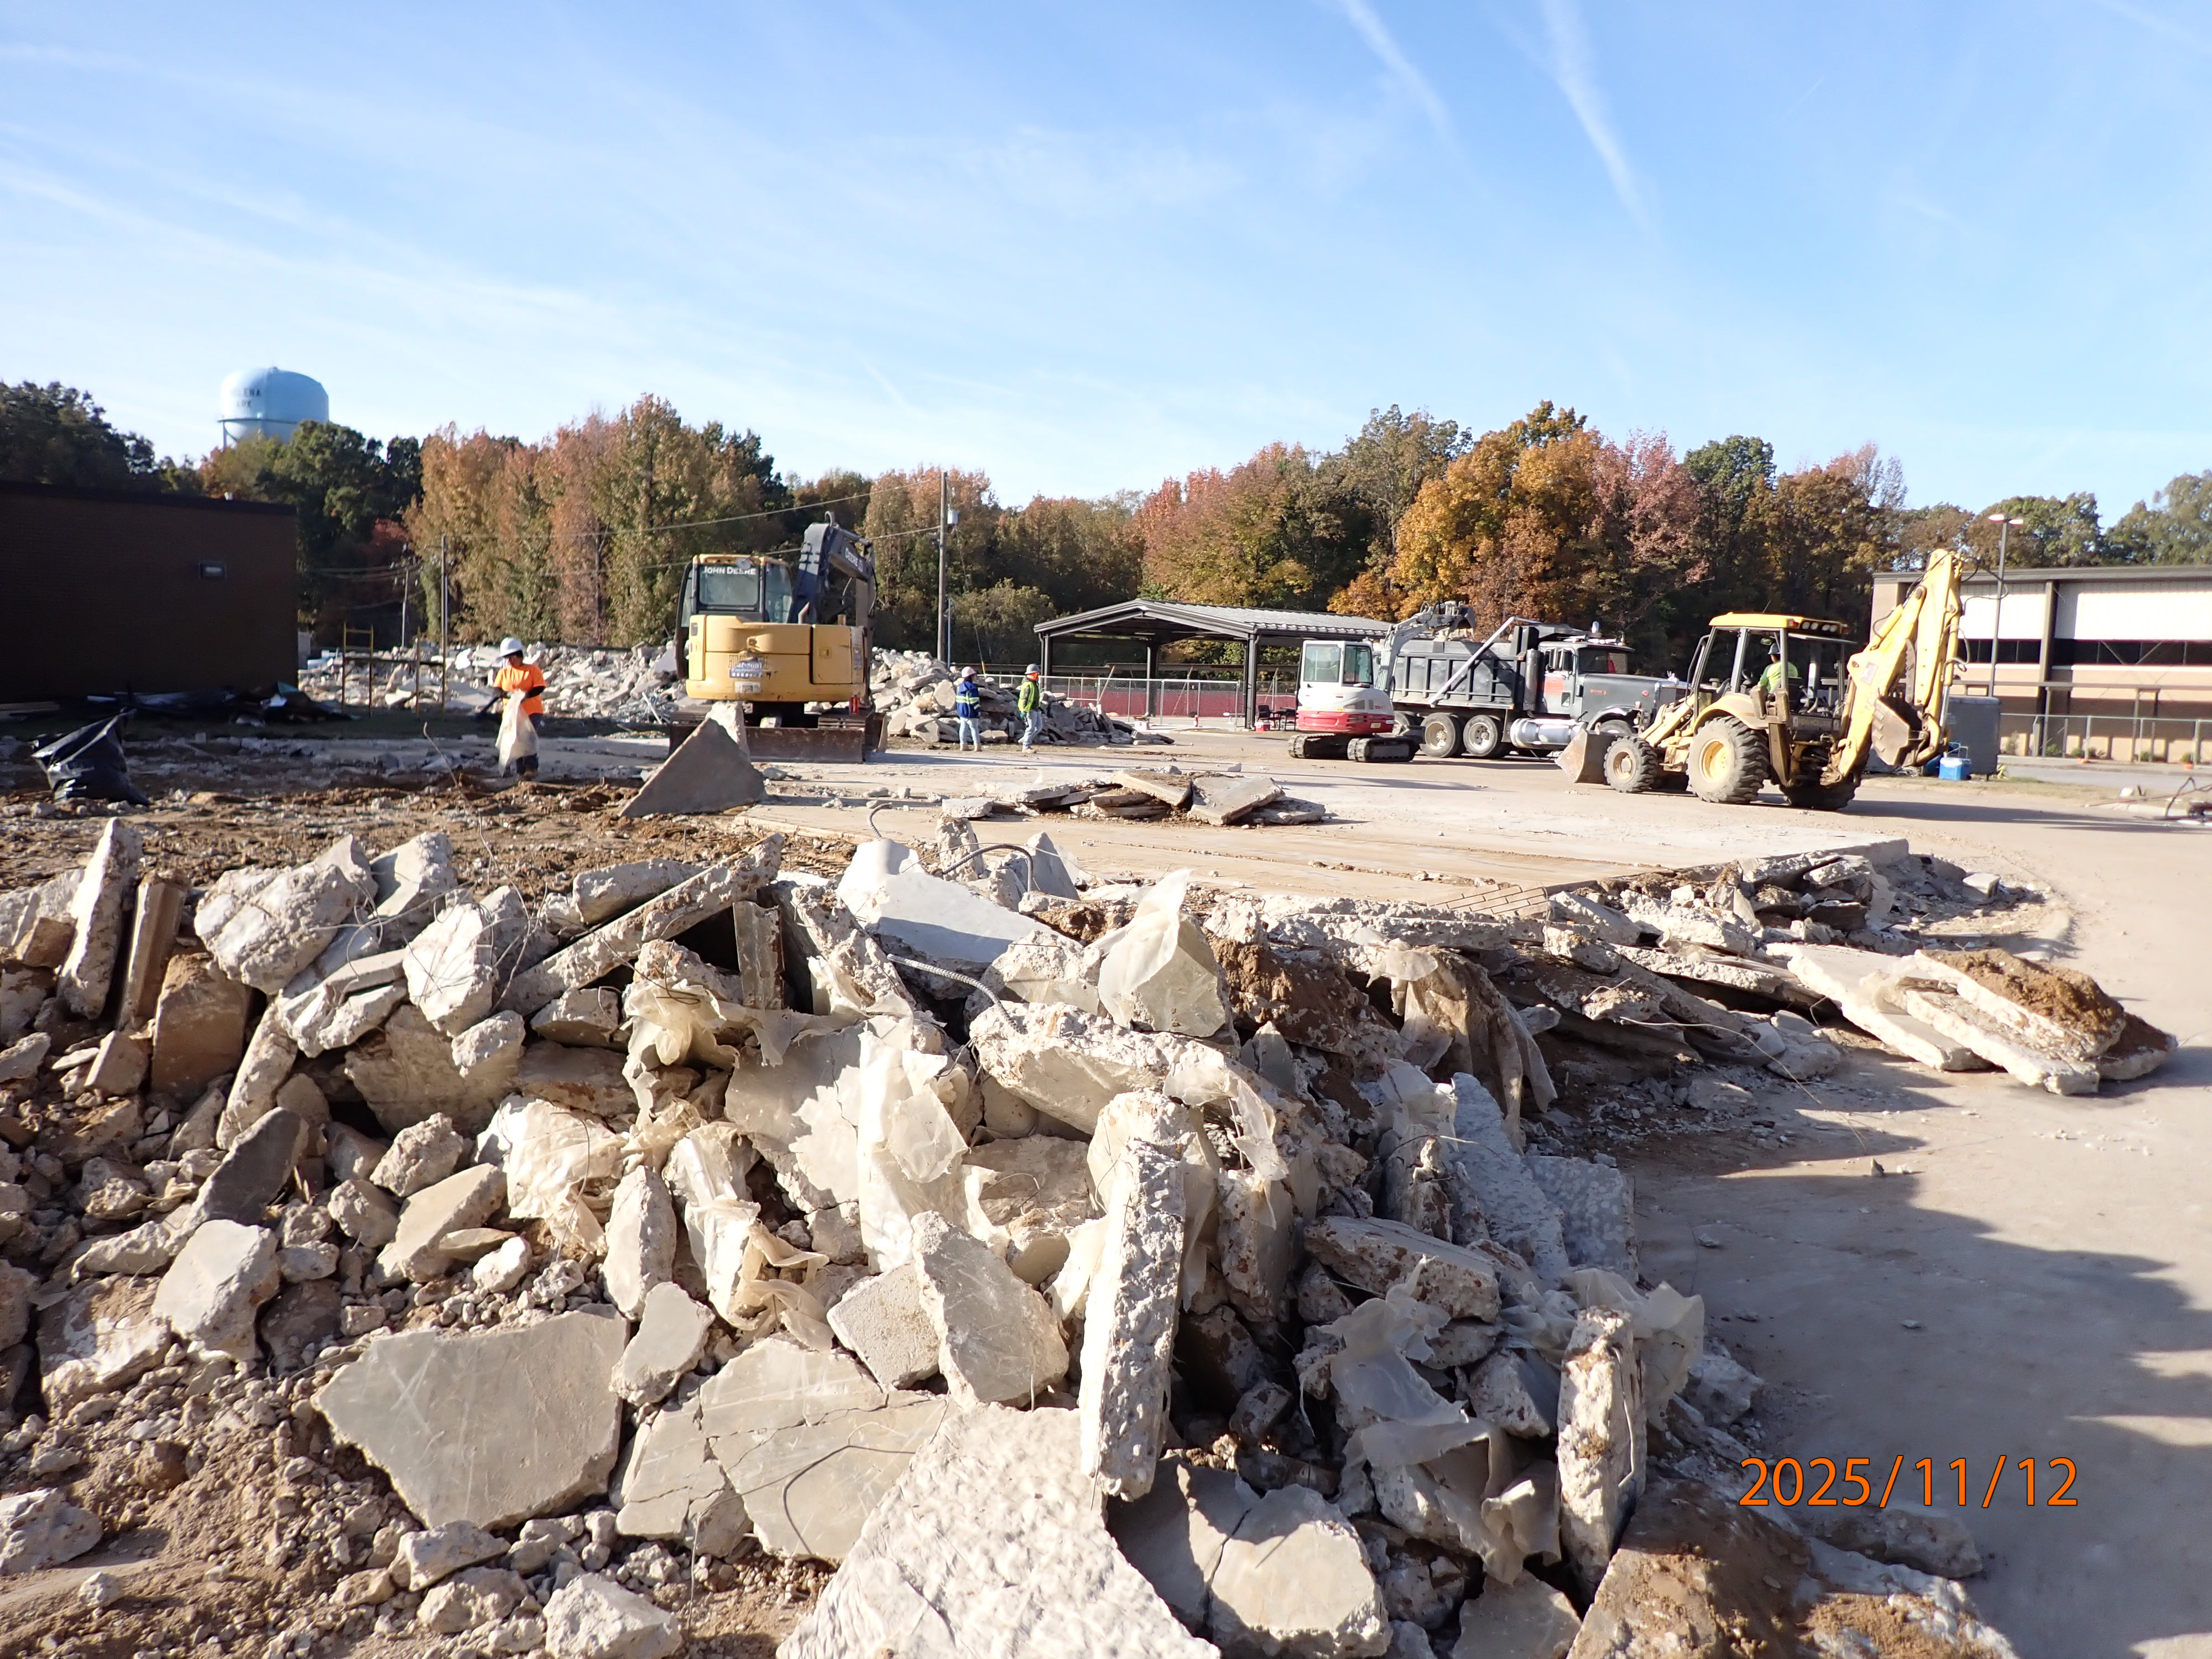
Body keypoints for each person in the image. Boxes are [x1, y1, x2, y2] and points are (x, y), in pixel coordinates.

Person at [491, 637, 547, 780]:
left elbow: (539, 687)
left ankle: (531, 768)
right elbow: (496, 691)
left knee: (527, 738)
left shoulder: (532, 670)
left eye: (512, 658)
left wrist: (526, 695)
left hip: (532, 711)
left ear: (519, 655)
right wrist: (506, 694)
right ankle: (521, 771)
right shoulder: (504, 673)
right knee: (515, 741)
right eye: (507, 659)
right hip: (512, 713)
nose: (509, 661)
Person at [953, 666, 983, 751]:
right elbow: (974, 701)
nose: (975, 677)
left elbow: (958, 700)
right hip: (971, 712)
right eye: (974, 675)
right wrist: (978, 710)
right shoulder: (973, 687)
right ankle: (977, 745)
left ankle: (963, 745)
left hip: (962, 711)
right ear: (971, 676)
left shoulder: (959, 687)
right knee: (974, 728)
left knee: (963, 728)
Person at [1016, 664, 1044, 752]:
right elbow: (1025, 699)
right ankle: (1026, 747)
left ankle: (1024, 739)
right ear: (1033, 674)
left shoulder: (1034, 684)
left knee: (1038, 727)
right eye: (1037, 673)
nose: (1038, 675)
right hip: (1029, 710)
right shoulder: (1028, 685)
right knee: (1031, 728)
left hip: (1035, 709)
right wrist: (1024, 711)